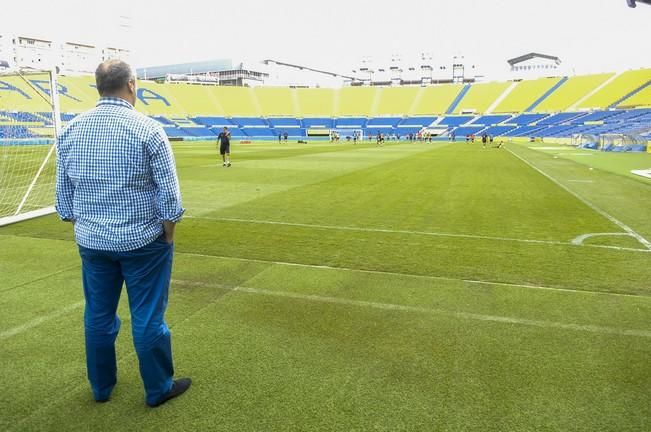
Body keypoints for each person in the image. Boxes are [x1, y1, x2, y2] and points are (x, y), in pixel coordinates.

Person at [55, 59, 190, 408]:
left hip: (92, 243)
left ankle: (101, 388)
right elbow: (171, 200)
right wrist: (168, 234)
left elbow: (64, 203)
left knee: (97, 315)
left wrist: (90, 228)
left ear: (98, 86)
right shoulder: (147, 130)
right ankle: (158, 389)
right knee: (147, 317)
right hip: (144, 242)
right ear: (132, 85)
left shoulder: (71, 130)